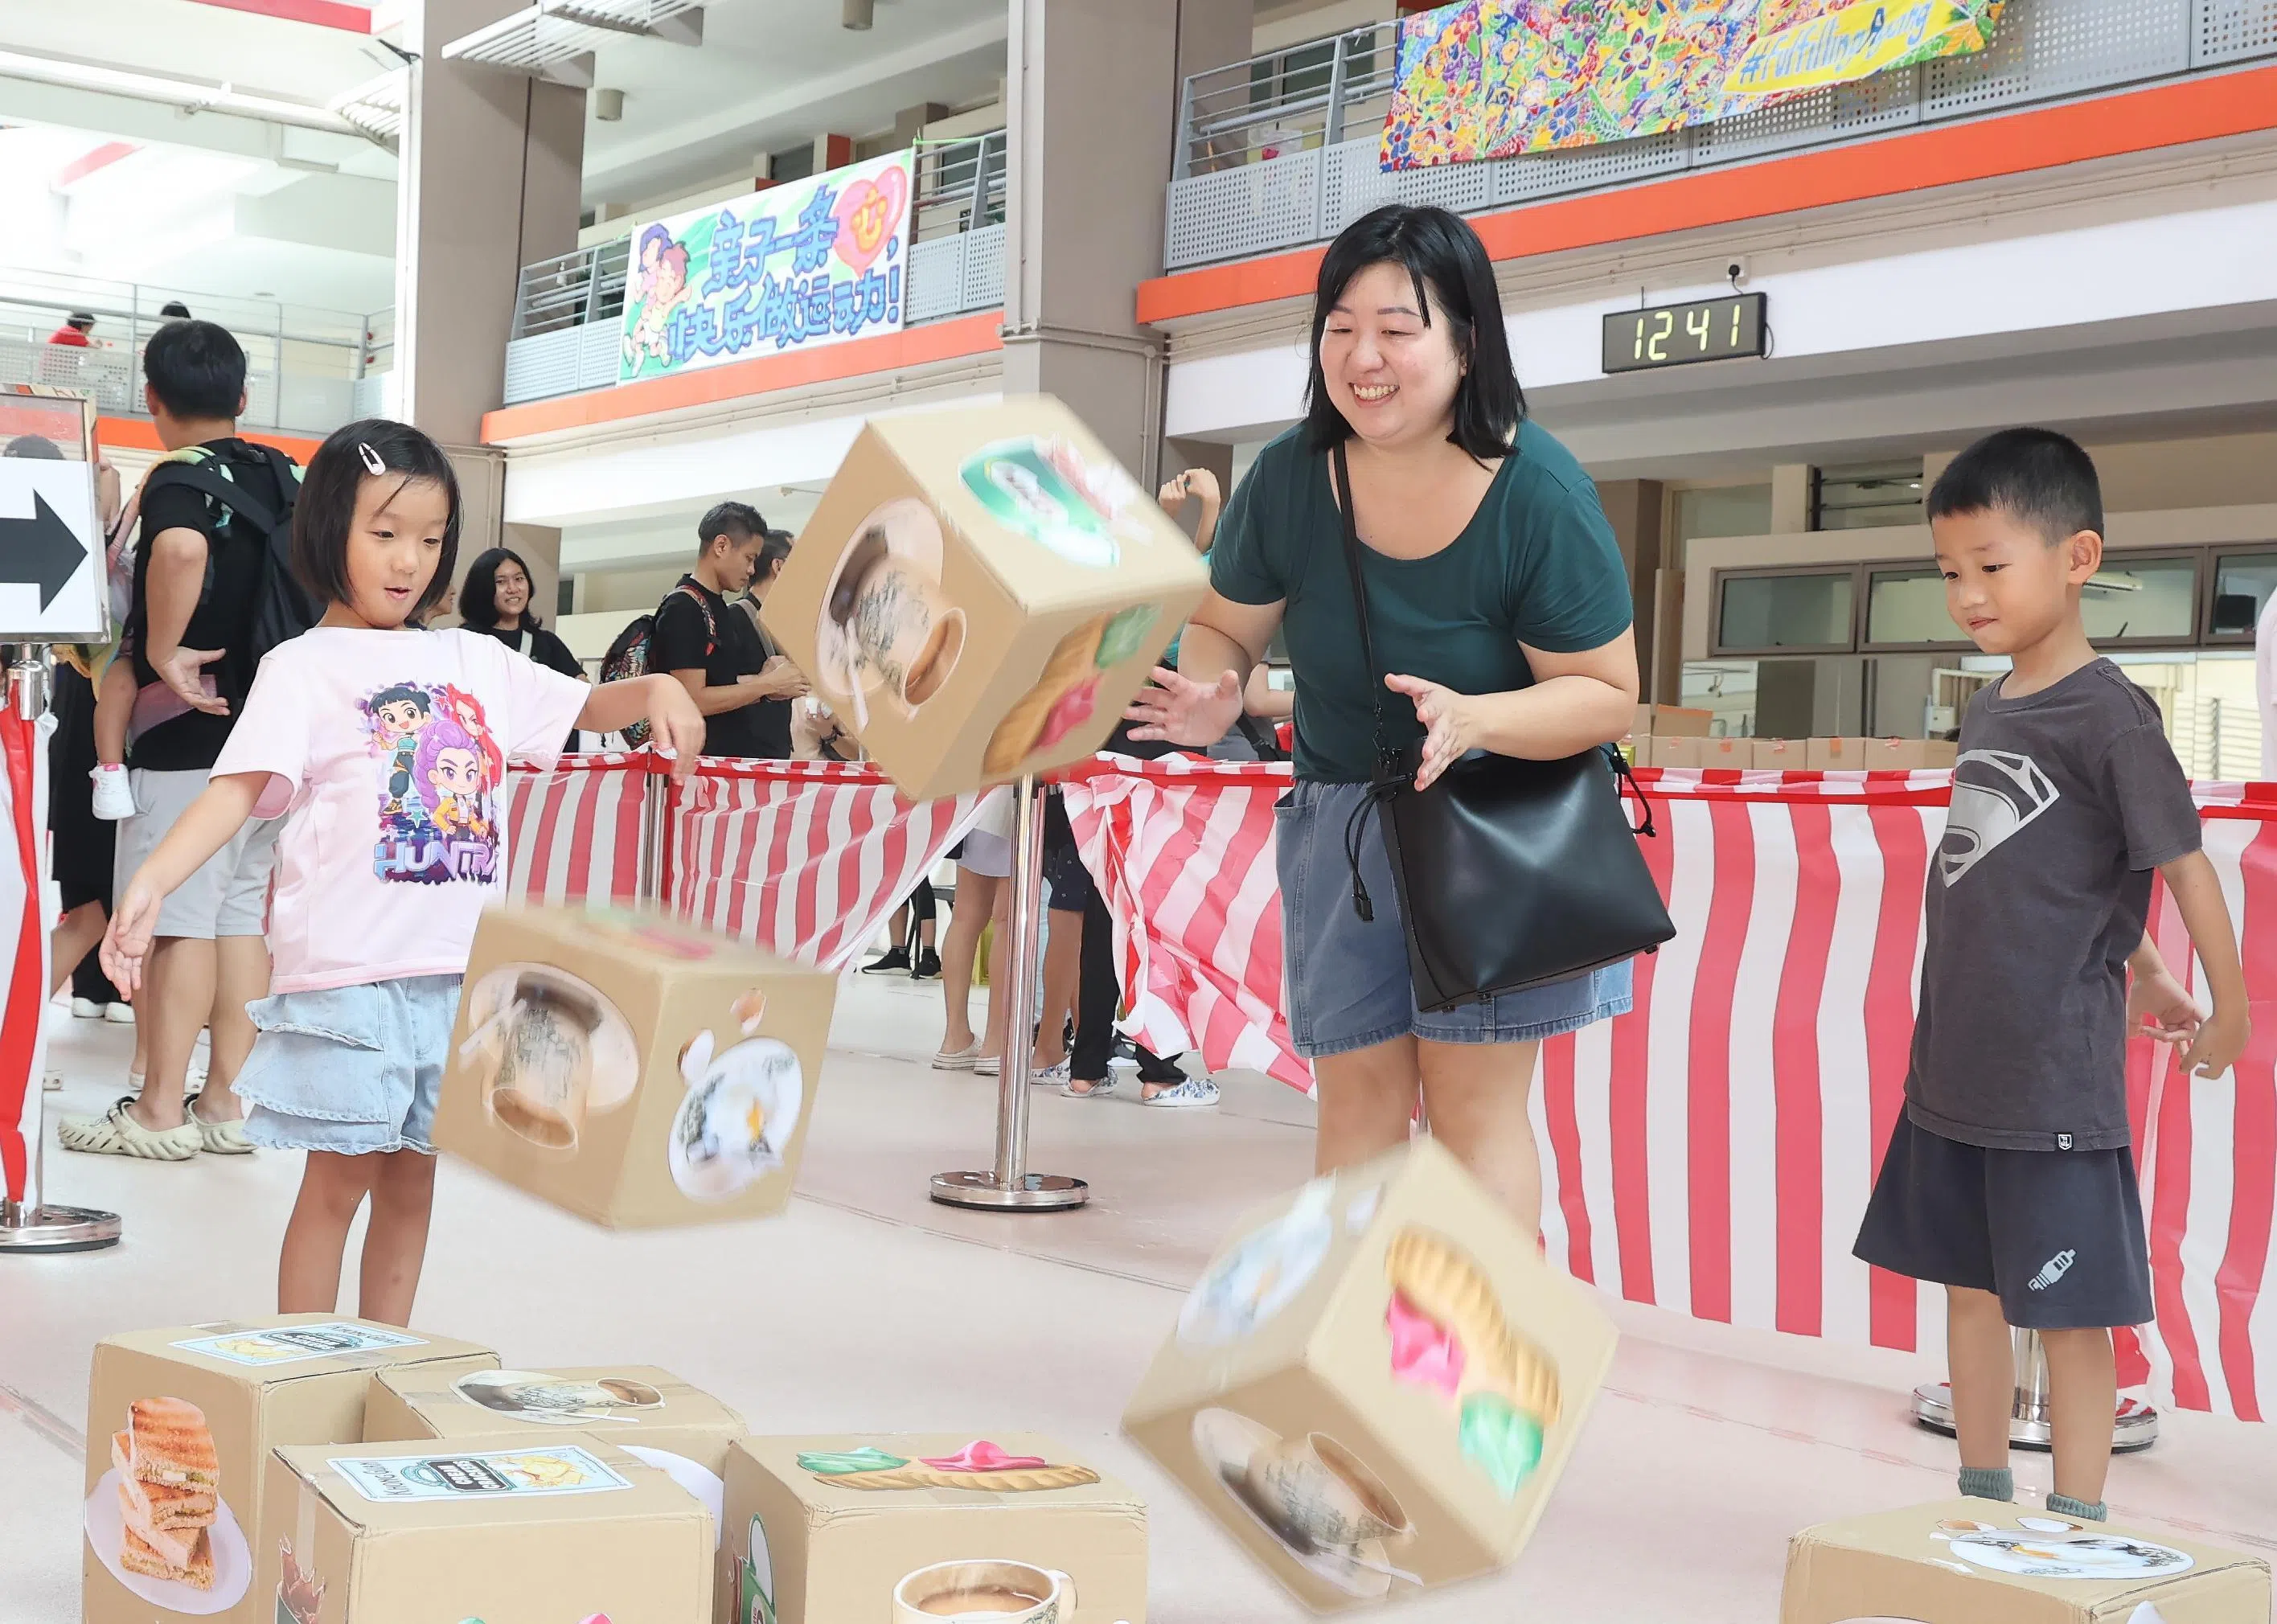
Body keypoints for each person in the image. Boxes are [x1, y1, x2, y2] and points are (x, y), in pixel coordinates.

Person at [98, 419, 703, 1325]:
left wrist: (657, 688)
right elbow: (234, 793)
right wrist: (147, 887)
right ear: (329, 529)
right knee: (337, 1184)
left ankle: (382, 1362)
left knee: (414, 1187)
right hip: (346, 982)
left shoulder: (473, 659)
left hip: (457, 980)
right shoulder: (302, 667)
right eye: (384, 534)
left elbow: (586, 705)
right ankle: (302, 1371)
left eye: (429, 539)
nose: (408, 561)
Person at [1127, 205, 1639, 1224]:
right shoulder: (1288, 475)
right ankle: (1360, 1367)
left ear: (1465, 341)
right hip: (1340, 831)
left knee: (1472, 1118)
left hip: (1492, 831)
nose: (1364, 356)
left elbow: (1607, 692)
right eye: (1340, 325)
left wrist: (1477, 717)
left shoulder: (1538, 491)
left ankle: (1486, 1370)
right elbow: (1224, 627)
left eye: (1399, 328)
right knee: (1353, 1111)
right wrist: (1218, 686)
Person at [1851, 429, 2246, 1523]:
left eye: (1992, 565)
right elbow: (2061, 872)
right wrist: (2153, 969)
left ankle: (2076, 1527)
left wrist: (2235, 1003)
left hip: (2053, 1086)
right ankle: (1979, 1506)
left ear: (2077, 557)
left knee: (2075, 1316)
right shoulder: (1993, 706)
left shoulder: (2112, 715)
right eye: (1949, 573)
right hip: (1955, 1072)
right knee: (1970, 1294)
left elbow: (2181, 863)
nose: (1968, 595)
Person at [59, 320, 295, 1161]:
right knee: (240, 920)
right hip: (272, 736)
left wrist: (162, 648)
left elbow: (185, 546)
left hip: (185, 732)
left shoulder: (180, 482)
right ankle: (226, 1103)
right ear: (240, 398)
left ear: (153, 400)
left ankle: (159, 1110)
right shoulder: (280, 473)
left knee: (181, 919)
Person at [652, 503, 809, 758]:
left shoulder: (716, 608)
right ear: (721, 546)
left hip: (730, 765)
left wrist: (765, 684)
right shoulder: (685, 607)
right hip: (702, 768)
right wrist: (765, 684)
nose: (751, 570)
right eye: (749, 558)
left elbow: (724, 684)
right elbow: (692, 699)